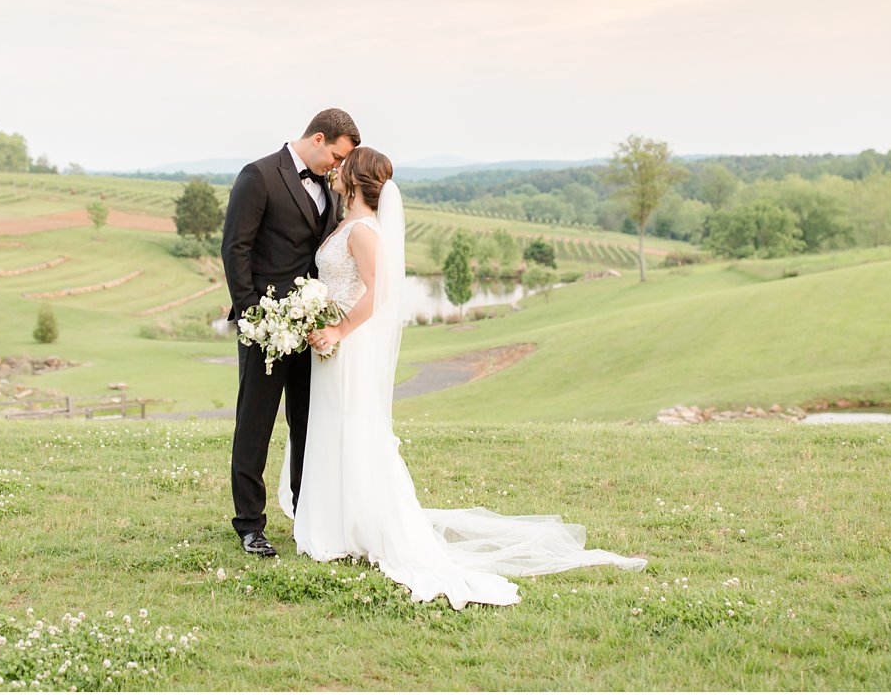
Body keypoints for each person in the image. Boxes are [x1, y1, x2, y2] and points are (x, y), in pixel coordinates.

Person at [280, 146, 647, 608]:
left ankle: (355, 525)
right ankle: (333, 520)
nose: (335, 170)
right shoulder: (344, 224)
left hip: (348, 346)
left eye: (343, 167)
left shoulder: (364, 232)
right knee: (331, 428)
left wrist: (337, 328)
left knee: (351, 429)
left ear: (355, 178)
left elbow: (378, 294)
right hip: (332, 347)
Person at [221, 108, 359, 557]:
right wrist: (252, 316)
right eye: (335, 156)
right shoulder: (258, 175)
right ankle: (249, 524)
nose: (336, 167)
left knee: (306, 424)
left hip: (311, 326)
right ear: (318, 139)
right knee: (255, 426)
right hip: (267, 329)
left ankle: (307, 513)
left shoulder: (328, 187)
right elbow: (235, 248)